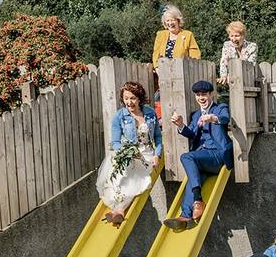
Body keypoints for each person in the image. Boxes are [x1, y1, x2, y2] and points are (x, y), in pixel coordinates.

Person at [164, 80, 234, 230]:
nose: (201, 98)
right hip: (203, 159)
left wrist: (212, 118)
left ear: (211, 95)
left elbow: (225, 119)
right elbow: (192, 133)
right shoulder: (195, 115)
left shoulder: (220, 107)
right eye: (198, 95)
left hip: (217, 155)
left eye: (204, 94)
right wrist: (181, 125)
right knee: (193, 180)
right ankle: (185, 216)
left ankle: (198, 199)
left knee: (186, 156)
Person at [97, 81, 165, 227]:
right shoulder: (119, 117)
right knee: (125, 170)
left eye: (132, 98)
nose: (129, 102)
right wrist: (128, 152)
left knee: (137, 175)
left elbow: (158, 137)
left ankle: (119, 210)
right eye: (126, 98)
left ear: (139, 98)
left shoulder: (150, 113)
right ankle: (119, 210)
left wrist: (157, 154)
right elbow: (115, 142)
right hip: (128, 153)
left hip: (146, 155)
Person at [218, 21, 258, 85]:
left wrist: (232, 76)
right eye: (231, 36)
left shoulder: (252, 46)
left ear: (243, 36)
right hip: (232, 81)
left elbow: (249, 65)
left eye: (237, 36)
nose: (234, 39)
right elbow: (223, 62)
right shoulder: (227, 45)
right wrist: (224, 75)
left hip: (248, 79)